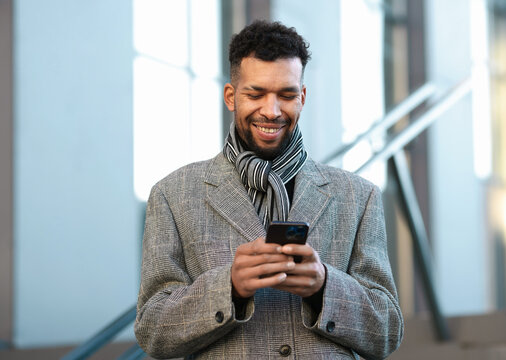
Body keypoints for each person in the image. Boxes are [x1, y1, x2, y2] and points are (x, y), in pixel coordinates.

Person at [134, 20, 403, 359]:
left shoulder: (358, 197)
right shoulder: (172, 195)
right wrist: (229, 287)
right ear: (231, 97)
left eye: (286, 95)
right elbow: (152, 330)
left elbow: (388, 330)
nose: (272, 110)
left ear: (302, 98)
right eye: (256, 93)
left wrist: (323, 286)